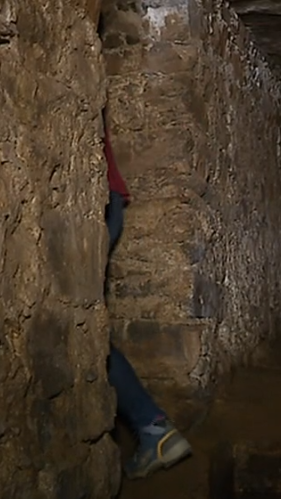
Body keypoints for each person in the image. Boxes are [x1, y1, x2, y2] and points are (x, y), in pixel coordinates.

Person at [102, 114, 193, 479]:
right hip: (107, 199)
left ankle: (153, 429)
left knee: (85, 334)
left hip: (100, 199)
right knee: (89, 331)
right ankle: (153, 428)